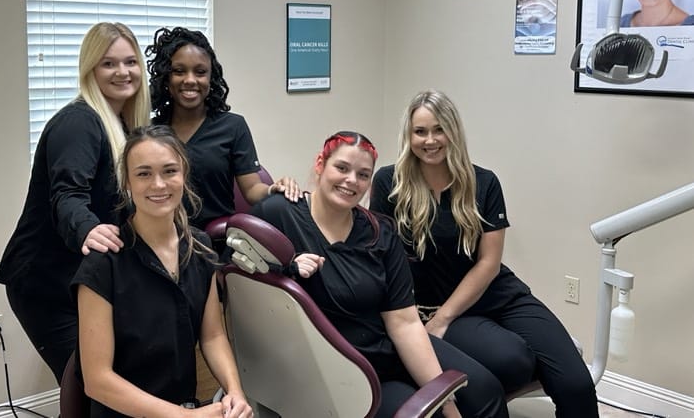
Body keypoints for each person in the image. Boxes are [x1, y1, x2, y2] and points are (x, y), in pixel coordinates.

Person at [252, 131, 514, 418]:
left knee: (484, 391)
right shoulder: (279, 214)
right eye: (341, 168)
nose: (352, 180)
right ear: (320, 164)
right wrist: (287, 267)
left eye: (363, 175)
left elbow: (404, 322)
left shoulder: (381, 233)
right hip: (341, 367)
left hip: (386, 346)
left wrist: (448, 402)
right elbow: (240, 275)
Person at [370, 90, 599, 418]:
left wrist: (443, 319)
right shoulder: (389, 184)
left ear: (454, 132)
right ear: (409, 136)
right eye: (420, 131)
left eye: (439, 129)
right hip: (434, 306)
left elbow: (489, 263)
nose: (430, 140)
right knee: (512, 361)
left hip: (498, 296)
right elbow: (378, 254)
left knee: (576, 382)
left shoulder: (484, 182)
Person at [0, 22, 151, 384]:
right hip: (44, 283)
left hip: (84, 279)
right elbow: (67, 195)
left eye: (130, 62)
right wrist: (88, 227)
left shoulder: (126, 126)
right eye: (108, 64)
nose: (122, 72)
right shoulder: (79, 123)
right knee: (88, 387)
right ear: (90, 69)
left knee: (113, 381)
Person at [73, 125, 253, 418]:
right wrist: (182, 417)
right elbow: (97, 381)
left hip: (185, 407)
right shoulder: (103, 263)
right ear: (127, 183)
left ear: (183, 175)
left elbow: (213, 336)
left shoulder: (200, 248)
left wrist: (235, 391)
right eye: (144, 173)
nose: (158, 184)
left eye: (169, 171)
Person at [145, 26, 299, 230]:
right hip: (160, 237)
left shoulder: (233, 126)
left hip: (214, 241)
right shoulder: (151, 132)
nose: (190, 80)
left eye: (200, 72)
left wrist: (273, 189)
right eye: (179, 71)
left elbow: (252, 188)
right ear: (166, 77)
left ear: (211, 78)